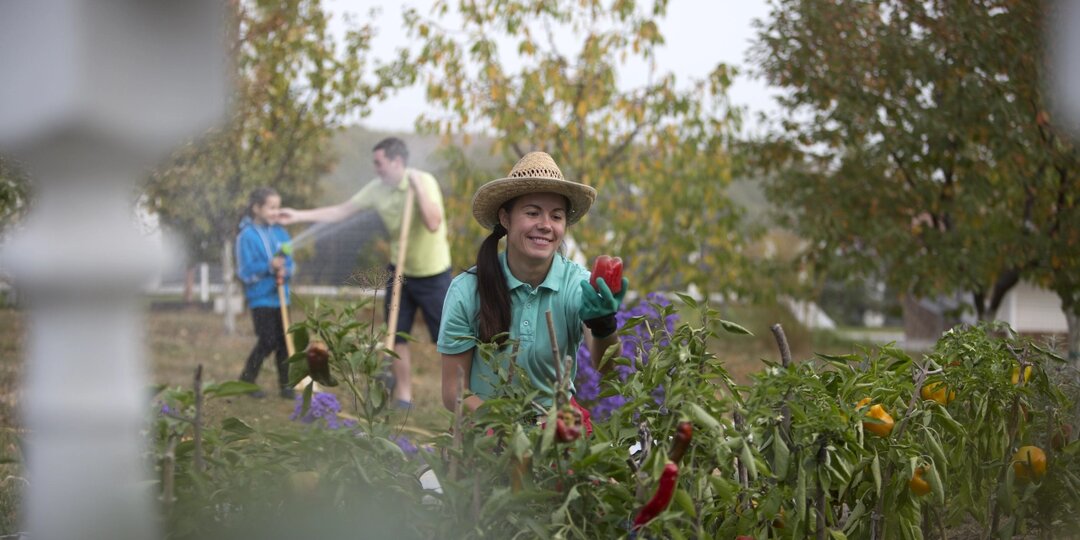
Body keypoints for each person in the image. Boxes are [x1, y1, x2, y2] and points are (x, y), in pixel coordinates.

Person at [438, 151, 628, 417]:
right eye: (532, 212)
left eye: (556, 216)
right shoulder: (467, 291)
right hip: (486, 435)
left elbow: (608, 371)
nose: (545, 225)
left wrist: (604, 325)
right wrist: (506, 433)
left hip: (555, 433)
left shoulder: (577, 285)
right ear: (505, 219)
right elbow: (453, 392)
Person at [278, 137, 451, 409]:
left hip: (433, 273)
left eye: (379, 163)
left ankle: (459, 394)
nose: (376, 168)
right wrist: (298, 216)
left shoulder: (423, 181)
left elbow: (432, 223)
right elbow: (340, 211)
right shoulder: (377, 189)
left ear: (397, 162)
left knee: (447, 338)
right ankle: (404, 397)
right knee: (397, 336)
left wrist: (418, 189)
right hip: (400, 271)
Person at [236, 187, 295, 399]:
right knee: (268, 340)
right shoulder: (246, 237)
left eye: (278, 208)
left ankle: (286, 386)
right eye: (271, 208)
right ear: (256, 208)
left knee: (286, 343)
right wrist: (269, 266)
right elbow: (245, 272)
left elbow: (290, 263)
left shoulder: (281, 233)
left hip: (282, 297)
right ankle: (247, 379)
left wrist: (286, 270)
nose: (275, 212)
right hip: (261, 298)